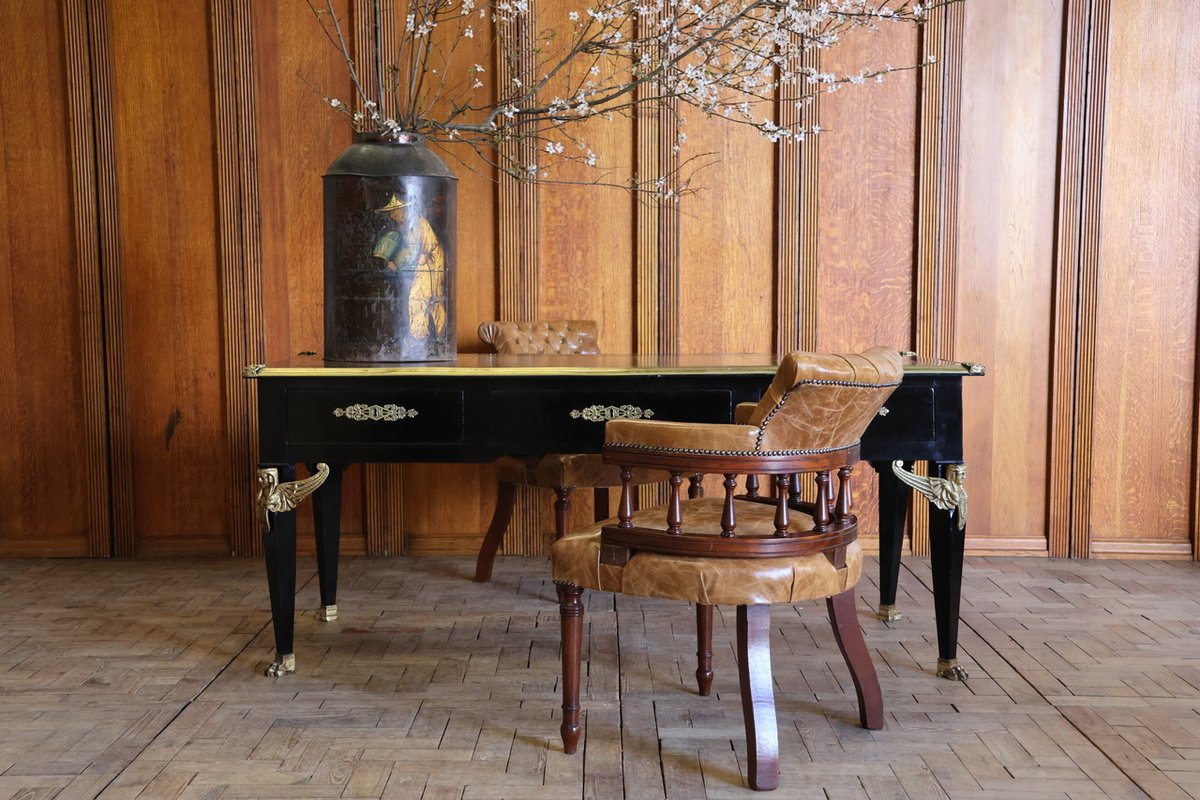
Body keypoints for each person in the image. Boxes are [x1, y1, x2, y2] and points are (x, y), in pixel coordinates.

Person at [372, 194, 447, 338]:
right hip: (426, 262)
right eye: (391, 213)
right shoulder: (412, 224)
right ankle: (438, 335)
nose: (392, 216)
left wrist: (397, 265)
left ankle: (419, 338)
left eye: (395, 212)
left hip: (429, 263)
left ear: (404, 210)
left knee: (417, 299)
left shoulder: (416, 224)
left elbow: (413, 250)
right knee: (432, 301)